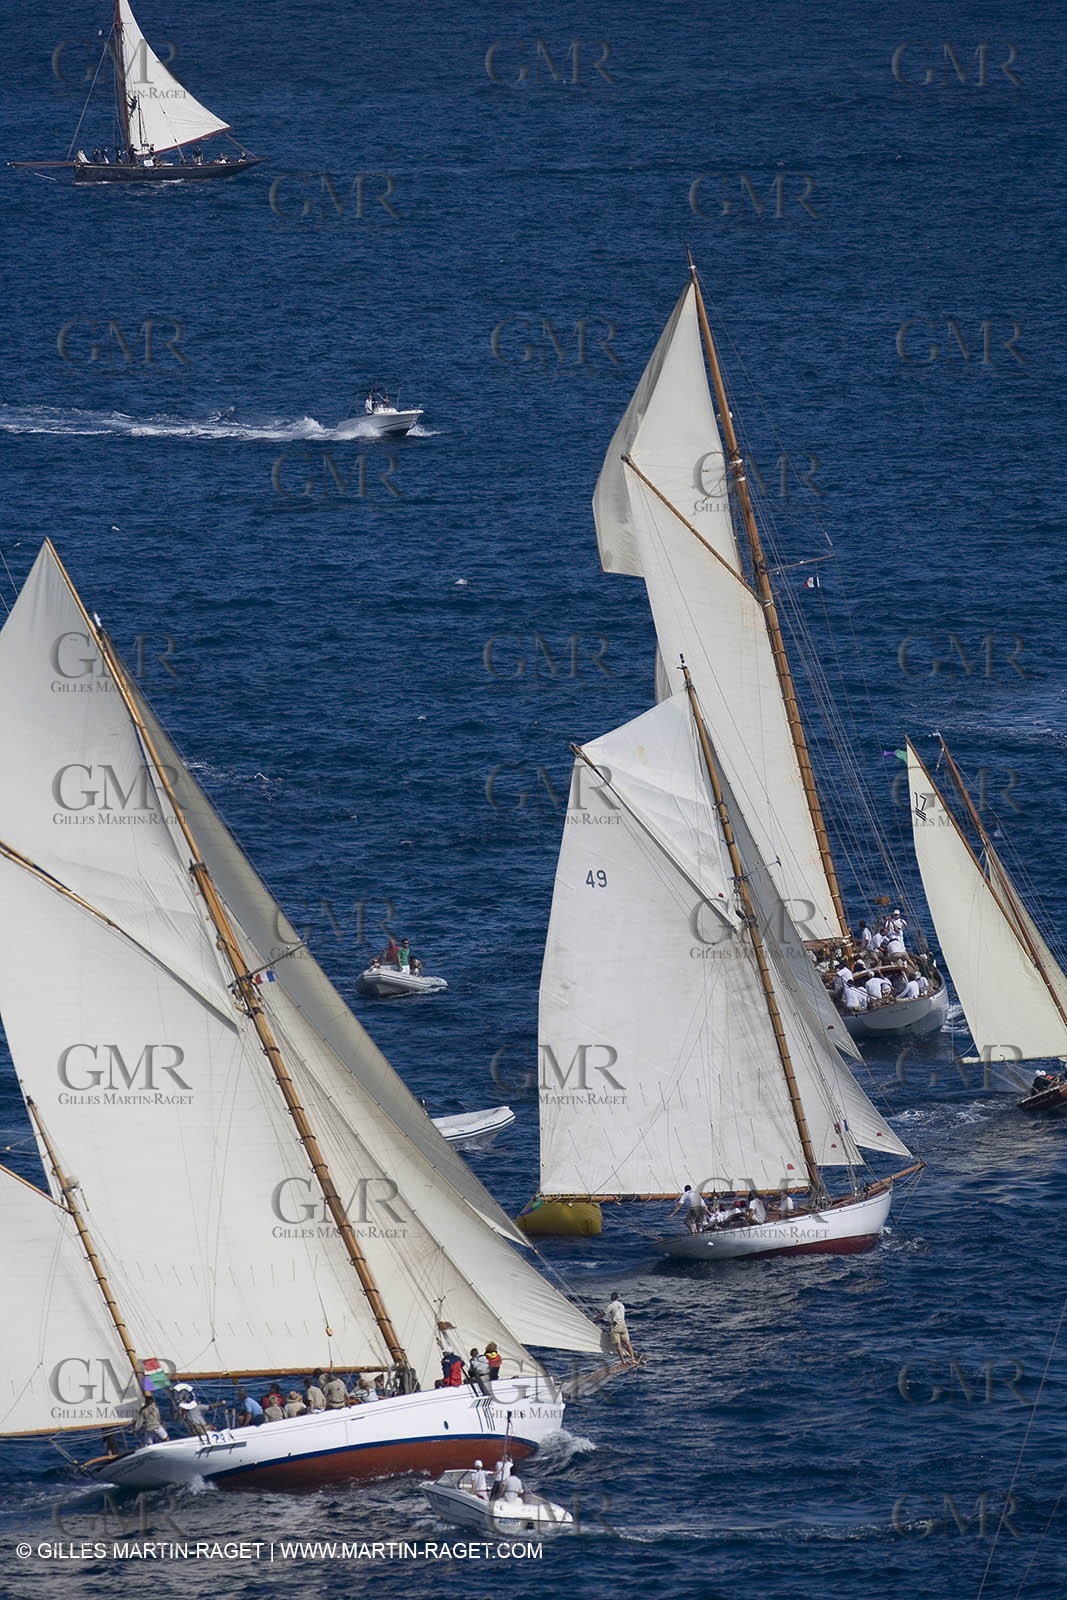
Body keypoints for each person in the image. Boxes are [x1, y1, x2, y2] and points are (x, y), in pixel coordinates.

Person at [604, 1291, 636, 1364]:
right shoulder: (622, 1305)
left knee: (618, 1345)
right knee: (628, 1343)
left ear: (611, 1298)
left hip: (616, 1326)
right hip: (623, 1325)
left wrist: (595, 1318)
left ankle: (623, 1361)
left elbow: (603, 1313)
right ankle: (633, 1359)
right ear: (618, 1298)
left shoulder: (611, 1305)